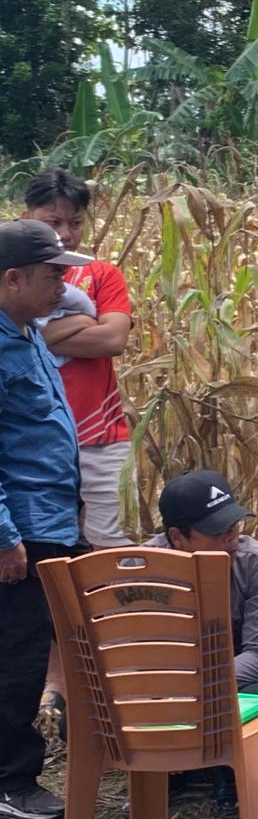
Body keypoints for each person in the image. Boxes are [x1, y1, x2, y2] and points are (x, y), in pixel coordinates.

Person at [0, 219, 92, 819]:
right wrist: (4, 537)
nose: (64, 284)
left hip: (54, 522)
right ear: (12, 279)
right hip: (23, 532)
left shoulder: (29, 332)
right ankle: (11, 783)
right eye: (52, 274)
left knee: (62, 641)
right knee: (19, 654)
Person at [144, 470, 258, 809]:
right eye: (218, 532)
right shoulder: (143, 570)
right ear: (177, 537)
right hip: (164, 687)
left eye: (234, 526)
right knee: (79, 721)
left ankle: (227, 770)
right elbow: (131, 657)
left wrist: (198, 687)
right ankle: (165, 768)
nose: (231, 539)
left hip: (228, 683)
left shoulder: (257, 563)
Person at [24, 169, 135, 550]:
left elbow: (113, 339)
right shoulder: (14, 277)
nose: (66, 234)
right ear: (26, 217)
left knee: (109, 552)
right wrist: (84, 321)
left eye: (75, 223)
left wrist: (34, 336)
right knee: (46, 553)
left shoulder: (102, 274)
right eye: (53, 222)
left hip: (100, 439)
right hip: (33, 443)